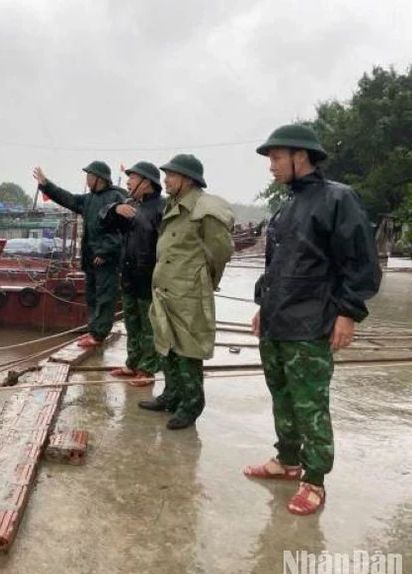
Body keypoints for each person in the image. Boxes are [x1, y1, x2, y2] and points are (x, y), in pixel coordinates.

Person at [243, 124, 382, 515]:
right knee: (282, 396)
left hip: (311, 323)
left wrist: (348, 313)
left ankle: (315, 480)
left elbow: (361, 263)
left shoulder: (338, 199)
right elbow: (278, 264)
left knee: (310, 403)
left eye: (275, 157)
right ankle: (287, 460)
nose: (270, 166)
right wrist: (263, 306)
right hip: (278, 320)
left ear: (299, 156)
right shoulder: (286, 205)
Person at [140, 154, 234, 429]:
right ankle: (171, 395)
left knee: (187, 349)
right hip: (165, 289)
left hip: (188, 292)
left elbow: (220, 252)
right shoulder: (173, 204)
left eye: (171, 175)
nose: (166, 179)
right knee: (166, 345)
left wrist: (203, 280)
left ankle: (191, 404)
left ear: (187, 179)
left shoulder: (205, 208)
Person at [32, 161, 123, 347]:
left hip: (107, 259)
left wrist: (105, 251)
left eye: (90, 176)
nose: (87, 180)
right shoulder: (89, 200)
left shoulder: (116, 197)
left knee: (105, 297)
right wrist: (46, 184)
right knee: (91, 296)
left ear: (100, 178)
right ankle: (93, 331)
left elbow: (122, 230)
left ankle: (99, 334)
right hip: (90, 258)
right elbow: (68, 199)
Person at [99, 161, 164, 386]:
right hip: (129, 276)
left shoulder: (161, 209)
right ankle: (132, 363)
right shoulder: (130, 205)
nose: (128, 182)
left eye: (133, 178)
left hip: (150, 278)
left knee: (149, 327)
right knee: (132, 324)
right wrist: (114, 208)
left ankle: (148, 370)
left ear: (147, 182)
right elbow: (103, 221)